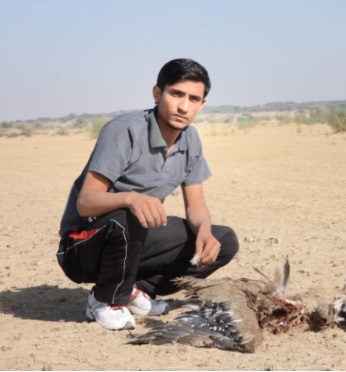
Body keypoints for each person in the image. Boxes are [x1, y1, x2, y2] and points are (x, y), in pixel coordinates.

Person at [56, 58, 239, 331]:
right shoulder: (124, 131)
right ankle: (105, 299)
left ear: (202, 104)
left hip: (134, 239)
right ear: (157, 93)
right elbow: (85, 203)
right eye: (176, 93)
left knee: (223, 241)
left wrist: (203, 230)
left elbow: (196, 204)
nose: (183, 106)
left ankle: (135, 289)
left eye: (193, 98)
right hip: (83, 244)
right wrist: (131, 197)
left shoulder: (190, 140)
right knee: (130, 214)